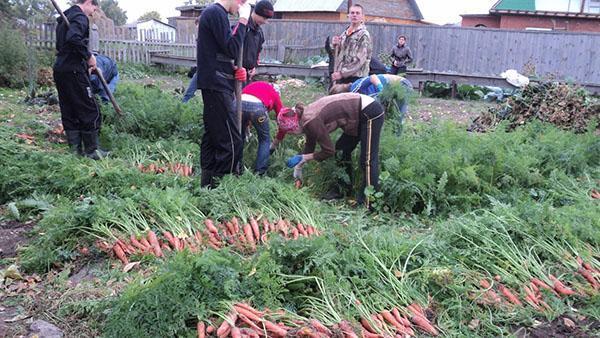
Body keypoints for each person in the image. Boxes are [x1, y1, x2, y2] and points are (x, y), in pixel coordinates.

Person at [282, 93, 385, 208]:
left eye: (291, 132)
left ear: (295, 126)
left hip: (369, 111)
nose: (292, 134)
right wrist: (299, 166)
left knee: (367, 159)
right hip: (355, 115)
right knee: (341, 150)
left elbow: (328, 151)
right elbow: (310, 144)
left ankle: (369, 204)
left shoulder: (311, 121)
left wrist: (304, 157)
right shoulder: (304, 118)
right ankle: (342, 189)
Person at [196, 0, 251, 188]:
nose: (241, 7)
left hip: (216, 81)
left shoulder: (215, 14)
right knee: (232, 142)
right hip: (216, 85)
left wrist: (232, 68)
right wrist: (243, 21)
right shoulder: (216, 13)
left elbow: (219, 52)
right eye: (242, 2)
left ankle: (206, 187)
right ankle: (217, 189)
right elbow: (232, 48)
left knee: (212, 138)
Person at [53, 0, 108, 160]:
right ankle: (92, 151)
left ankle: (75, 151)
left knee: (69, 108)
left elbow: (64, 44)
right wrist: (89, 57)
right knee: (89, 108)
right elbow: (74, 38)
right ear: (89, 2)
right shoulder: (80, 17)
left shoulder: (65, 17)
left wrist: (84, 63)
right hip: (74, 70)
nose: (93, 12)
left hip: (61, 69)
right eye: (94, 8)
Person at [240, 81, 285, 175]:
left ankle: (235, 168)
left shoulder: (255, 85)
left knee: (238, 137)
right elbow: (283, 120)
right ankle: (260, 172)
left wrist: (246, 131)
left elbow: (245, 105)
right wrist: (278, 140)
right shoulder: (274, 93)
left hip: (239, 105)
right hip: (257, 109)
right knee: (264, 139)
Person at [329, 4, 372, 94]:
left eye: (357, 13)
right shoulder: (345, 34)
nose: (354, 15)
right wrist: (335, 45)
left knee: (351, 106)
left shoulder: (363, 35)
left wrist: (341, 73)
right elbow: (337, 55)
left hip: (356, 78)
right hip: (343, 76)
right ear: (348, 16)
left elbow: (360, 60)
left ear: (362, 17)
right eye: (352, 13)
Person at [239, 0, 273, 83]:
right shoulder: (242, 28)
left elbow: (257, 53)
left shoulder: (259, 33)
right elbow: (232, 50)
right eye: (264, 18)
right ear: (256, 13)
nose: (265, 22)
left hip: (249, 74)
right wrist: (237, 67)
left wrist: (254, 67)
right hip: (237, 74)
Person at [182, 16, 201, 103]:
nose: (197, 27)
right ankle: (181, 108)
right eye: (196, 25)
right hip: (201, 69)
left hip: (207, 71)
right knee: (189, 92)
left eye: (199, 25)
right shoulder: (199, 39)